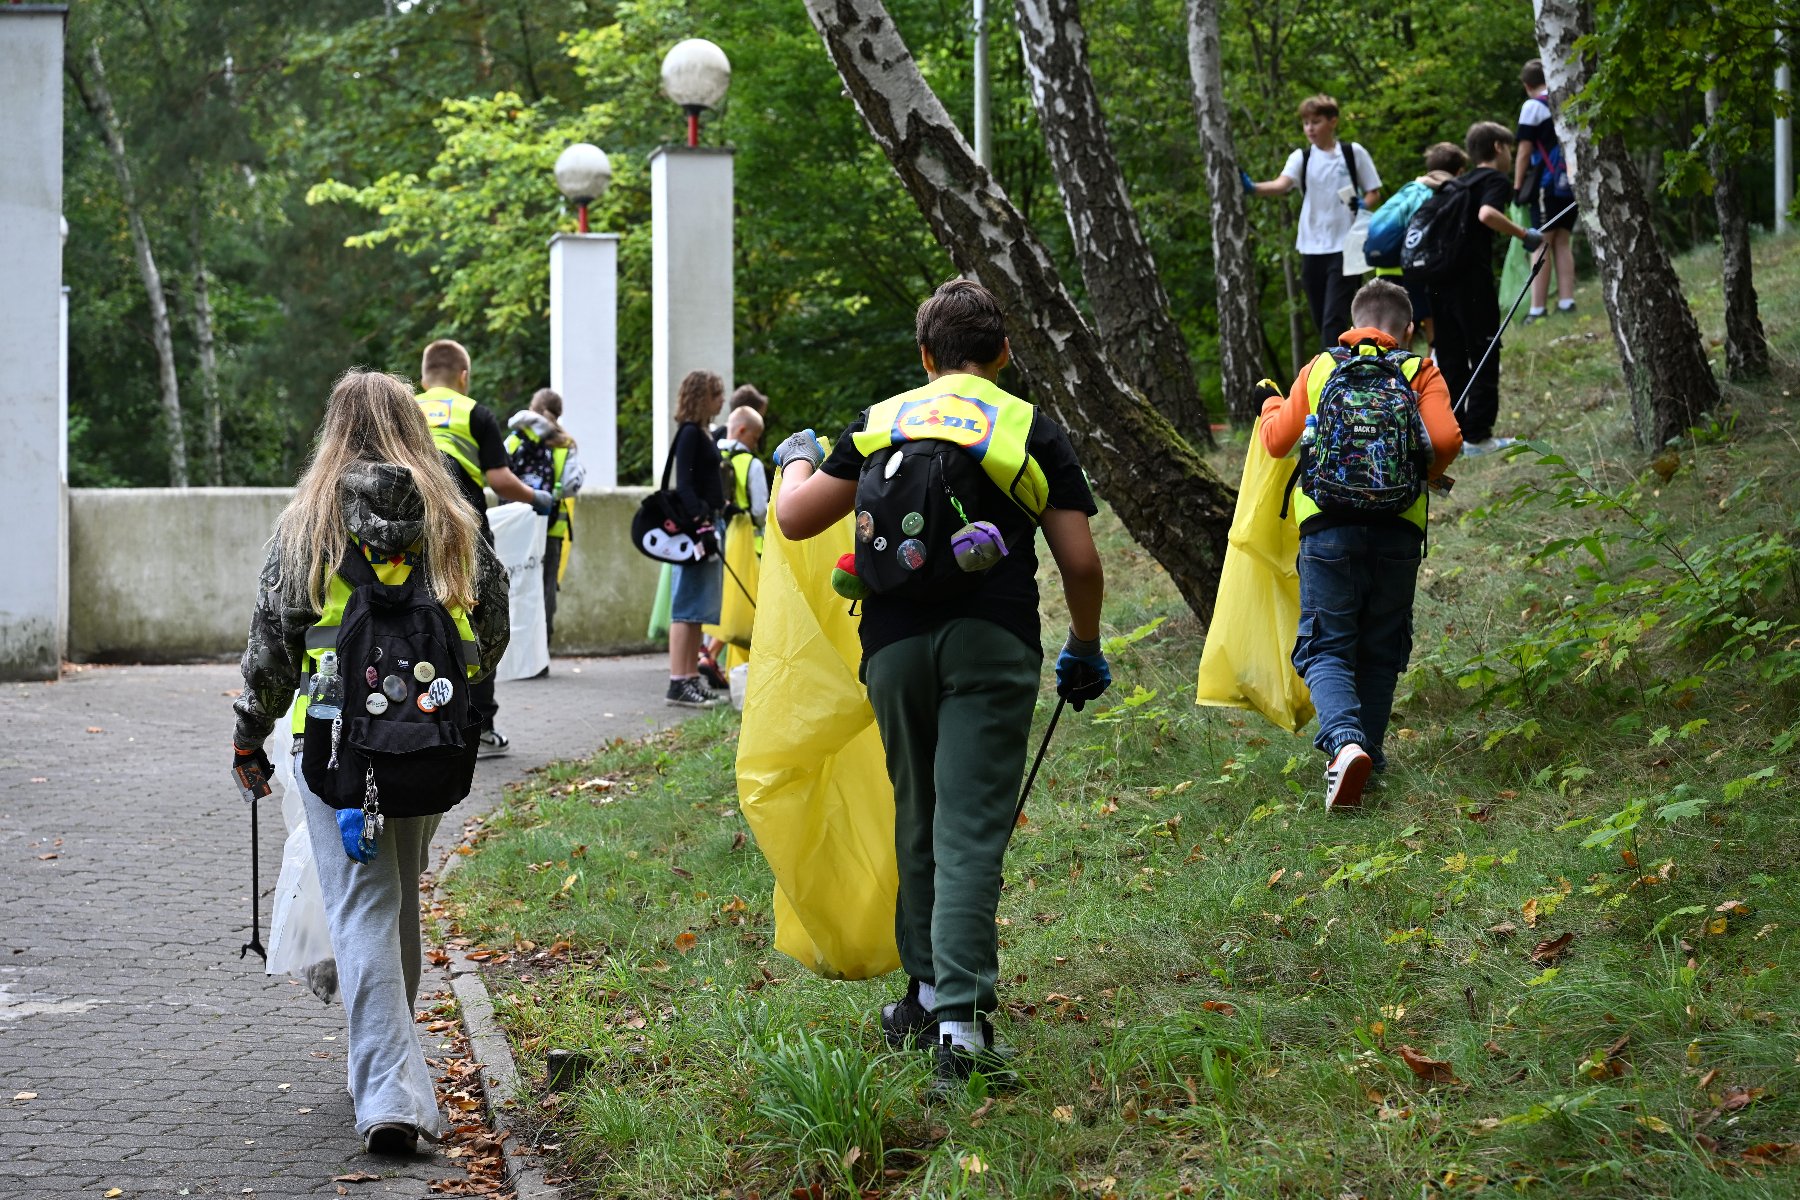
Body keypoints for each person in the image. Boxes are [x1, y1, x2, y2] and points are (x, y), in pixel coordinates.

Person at [771, 278, 1110, 1090]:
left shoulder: (883, 421)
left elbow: (795, 518)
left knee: (918, 815)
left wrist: (796, 459)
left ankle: (923, 996)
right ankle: (961, 1026)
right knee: (969, 830)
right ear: (1003, 354)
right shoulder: (1028, 427)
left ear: (924, 357)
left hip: (892, 647)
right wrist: (1085, 646)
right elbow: (1083, 564)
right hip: (991, 643)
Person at [230, 370, 510, 1155]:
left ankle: (389, 1094)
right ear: (413, 429)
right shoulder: (452, 519)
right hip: (430, 742)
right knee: (394, 899)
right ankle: (389, 1071)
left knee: (363, 907)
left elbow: (272, 646)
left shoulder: (308, 524)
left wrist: (249, 734)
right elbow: (491, 631)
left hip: (330, 747)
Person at [1258, 279, 1460, 811]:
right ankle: (1366, 758)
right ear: (1409, 329)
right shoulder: (1420, 371)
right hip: (1399, 529)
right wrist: (1427, 470)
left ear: (1348, 323)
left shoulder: (1322, 368)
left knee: (1326, 645)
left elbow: (1279, 441)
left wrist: (1272, 407)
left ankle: (1345, 746)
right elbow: (1444, 442)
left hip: (1328, 528)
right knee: (1380, 646)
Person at [414, 339, 549, 754]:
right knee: (476, 618)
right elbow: (500, 480)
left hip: (413, 530)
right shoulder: (475, 413)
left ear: (424, 377)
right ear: (464, 376)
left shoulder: (405, 409)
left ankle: (417, 721)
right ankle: (479, 726)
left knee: (416, 618)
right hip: (464, 531)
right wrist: (537, 498)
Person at [1427, 122, 1542, 455]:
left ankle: (1454, 433)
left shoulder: (1457, 182)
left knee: (1450, 357)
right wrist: (1523, 234)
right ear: (1497, 148)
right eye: (1508, 148)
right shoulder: (1493, 179)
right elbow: (1487, 213)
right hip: (1470, 281)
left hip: (1439, 278)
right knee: (1484, 351)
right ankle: (1478, 435)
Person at [1245, 95, 1383, 348]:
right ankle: (1343, 362)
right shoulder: (1302, 157)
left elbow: (1374, 191)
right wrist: (1252, 188)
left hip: (1346, 247)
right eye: (1306, 123)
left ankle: (1329, 375)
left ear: (1333, 122)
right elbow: (1281, 185)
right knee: (1321, 318)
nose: (1309, 128)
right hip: (1311, 247)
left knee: (1334, 318)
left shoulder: (1352, 153)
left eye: (1316, 122)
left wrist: (1364, 203)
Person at [506, 388, 586, 661]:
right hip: (550, 526)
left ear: (532, 407)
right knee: (545, 588)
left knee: (513, 584)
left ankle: (512, 653)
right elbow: (573, 485)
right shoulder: (565, 444)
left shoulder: (516, 437)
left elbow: (498, 470)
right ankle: (540, 654)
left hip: (515, 526)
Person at [664, 369, 727, 707]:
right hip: (696, 529)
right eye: (717, 395)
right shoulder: (689, 433)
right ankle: (678, 680)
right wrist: (701, 520)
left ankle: (690, 676)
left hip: (708, 524)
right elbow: (684, 485)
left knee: (697, 607)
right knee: (685, 606)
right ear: (703, 396)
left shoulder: (702, 432)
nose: (722, 401)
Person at [697, 404, 768, 689]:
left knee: (717, 600)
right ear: (742, 431)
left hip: (713, 538)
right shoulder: (750, 464)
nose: (756, 444)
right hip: (746, 543)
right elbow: (761, 510)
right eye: (755, 438)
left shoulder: (711, 457)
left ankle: (709, 654)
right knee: (744, 605)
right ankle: (713, 656)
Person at [1514, 59, 1578, 323]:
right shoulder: (1568, 100)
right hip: (1570, 182)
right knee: (1562, 241)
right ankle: (1567, 301)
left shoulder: (1532, 106)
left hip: (1546, 184)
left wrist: (1518, 185)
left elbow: (1525, 150)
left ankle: (1537, 310)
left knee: (1540, 243)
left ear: (1527, 85)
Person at [1394, 141, 1469, 351]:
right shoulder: (1447, 193)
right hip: (1430, 269)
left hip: (1401, 265)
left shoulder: (1413, 189)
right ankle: (1432, 367)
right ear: (1460, 171)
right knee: (1433, 324)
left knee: (1405, 325)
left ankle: (1401, 373)